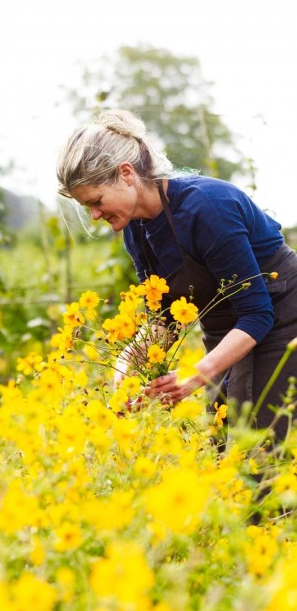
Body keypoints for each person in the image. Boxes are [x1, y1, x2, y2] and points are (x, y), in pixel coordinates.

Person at [56, 108, 297, 440]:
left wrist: (194, 376)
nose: (95, 215)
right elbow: (166, 317)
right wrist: (130, 361)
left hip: (279, 315)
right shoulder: (135, 230)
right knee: (220, 438)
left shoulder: (207, 208)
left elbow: (256, 313)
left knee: (258, 443)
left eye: (96, 201)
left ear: (126, 173)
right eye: (87, 208)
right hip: (226, 328)